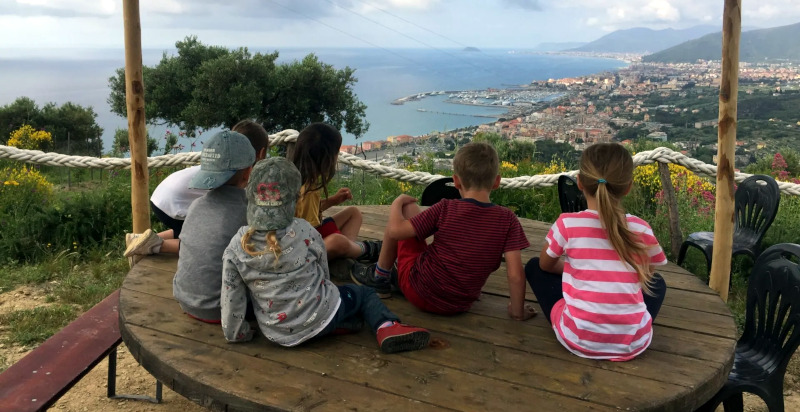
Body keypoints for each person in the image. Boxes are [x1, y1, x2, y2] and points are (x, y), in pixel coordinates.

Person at [221, 157, 431, 354]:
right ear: (295, 197)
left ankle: (339, 324)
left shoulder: (236, 246)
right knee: (363, 295)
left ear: (250, 196)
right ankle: (386, 326)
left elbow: (232, 297)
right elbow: (323, 274)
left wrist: (237, 334)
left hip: (276, 332)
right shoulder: (305, 231)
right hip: (320, 313)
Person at [350, 142, 536, 322]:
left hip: (419, 290)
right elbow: (515, 274)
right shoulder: (508, 220)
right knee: (416, 224)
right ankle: (394, 272)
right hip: (459, 304)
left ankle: (380, 278)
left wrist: (396, 203)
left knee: (408, 208)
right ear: (496, 182)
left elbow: (395, 231)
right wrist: (517, 313)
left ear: (455, 181)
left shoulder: (446, 208)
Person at [526, 142, 668, 361]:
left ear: (580, 183)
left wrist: (578, 270)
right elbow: (646, 274)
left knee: (534, 267)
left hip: (579, 337)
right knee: (658, 283)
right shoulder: (641, 228)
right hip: (633, 343)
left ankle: (591, 328)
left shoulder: (567, 224)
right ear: (628, 187)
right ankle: (626, 325)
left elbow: (545, 265)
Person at [124, 120, 268, 260]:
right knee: (206, 241)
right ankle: (157, 246)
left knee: (193, 227)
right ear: (261, 153)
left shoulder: (219, 163)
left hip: (162, 196)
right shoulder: (238, 172)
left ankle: (141, 240)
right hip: (173, 205)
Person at [168, 129, 256, 323]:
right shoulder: (249, 212)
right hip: (223, 310)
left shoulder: (196, 205)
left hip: (185, 300)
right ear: (249, 172)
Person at [290, 122, 380, 262]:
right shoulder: (308, 190)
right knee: (338, 241)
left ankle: (348, 252)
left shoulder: (298, 179)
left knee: (353, 213)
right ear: (328, 158)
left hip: (302, 237)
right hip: (301, 250)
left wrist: (333, 200)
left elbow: (306, 212)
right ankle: (360, 250)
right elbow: (310, 236)